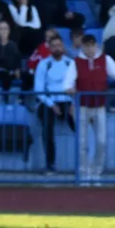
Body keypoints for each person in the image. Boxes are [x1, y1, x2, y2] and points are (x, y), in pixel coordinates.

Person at [64, 33, 115, 184]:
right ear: (83, 46)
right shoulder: (76, 62)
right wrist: (69, 89)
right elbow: (67, 83)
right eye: (87, 45)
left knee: (102, 141)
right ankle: (83, 174)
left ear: (96, 45)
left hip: (99, 106)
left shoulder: (105, 59)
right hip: (81, 107)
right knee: (82, 143)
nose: (90, 48)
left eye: (92, 45)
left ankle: (96, 173)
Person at [34, 34, 74, 174]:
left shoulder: (70, 63)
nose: (57, 48)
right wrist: (51, 104)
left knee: (81, 127)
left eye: (59, 45)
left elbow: (76, 86)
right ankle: (50, 164)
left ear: (63, 47)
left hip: (68, 101)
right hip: (49, 102)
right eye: (54, 46)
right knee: (47, 128)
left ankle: (84, 164)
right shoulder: (44, 64)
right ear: (49, 48)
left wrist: (73, 104)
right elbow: (38, 89)